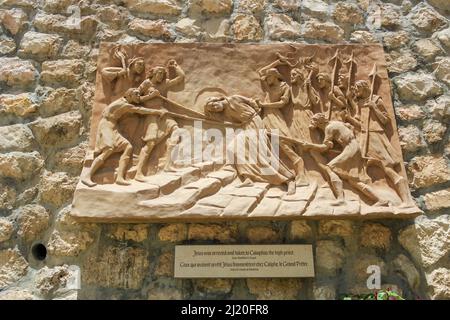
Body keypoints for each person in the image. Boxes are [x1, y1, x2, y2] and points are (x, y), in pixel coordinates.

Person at [204, 95, 296, 193]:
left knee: (262, 153)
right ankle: (248, 178)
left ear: (217, 100)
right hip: (246, 126)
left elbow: (251, 101)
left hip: (254, 122)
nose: (215, 109)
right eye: (213, 110)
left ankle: (288, 179)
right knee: (233, 148)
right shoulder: (225, 111)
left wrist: (256, 114)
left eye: (214, 105)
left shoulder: (234, 98)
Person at [82, 88, 167, 187]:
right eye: (136, 94)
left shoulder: (125, 101)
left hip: (113, 127)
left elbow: (139, 102)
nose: (138, 96)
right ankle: (87, 176)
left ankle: (119, 178)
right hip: (106, 127)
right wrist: (157, 112)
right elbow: (140, 110)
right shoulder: (124, 104)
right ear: (130, 95)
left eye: (139, 94)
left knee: (128, 147)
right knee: (109, 149)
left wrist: (150, 96)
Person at [302, 113, 388, 206]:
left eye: (314, 120)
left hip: (350, 148)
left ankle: (341, 199)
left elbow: (324, 147)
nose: (312, 122)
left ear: (320, 121)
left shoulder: (329, 128)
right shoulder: (336, 123)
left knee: (330, 168)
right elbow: (350, 128)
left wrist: (310, 145)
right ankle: (380, 200)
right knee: (354, 181)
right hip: (354, 147)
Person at [353, 80, 414, 207]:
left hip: (376, 136)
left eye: (358, 89)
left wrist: (374, 107)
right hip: (365, 137)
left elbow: (385, 120)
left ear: (364, 88)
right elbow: (362, 124)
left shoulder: (376, 100)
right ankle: (376, 199)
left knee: (387, 168)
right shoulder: (360, 102)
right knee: (361, 166)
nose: (356, 92)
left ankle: (406, 201)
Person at [257, 59, 308, 187]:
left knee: (283, 142)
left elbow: (283, 103)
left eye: (269, 77)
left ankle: (299, 166)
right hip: (265, 116)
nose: (267, 79)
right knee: (264, 142)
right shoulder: (268, 86)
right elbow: (260, 71)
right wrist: (277, 62)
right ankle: (272, 173)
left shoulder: (285, 87)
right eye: (267, 77)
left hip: (275, 116)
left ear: (275, 77)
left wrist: (265, 104)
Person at [134, 59, 185, 181]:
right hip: (151, 114)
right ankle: (138, 173)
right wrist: (150, 96)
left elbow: (180, 77)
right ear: (153, 73)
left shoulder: (164, 83)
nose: (161, 76)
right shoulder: (146, 83)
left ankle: (168, 165)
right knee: (150, 143)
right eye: (159, 73)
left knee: (176, 131)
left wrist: (175, 66)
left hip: (163, 113)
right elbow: (135, 98)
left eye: (162, 74)